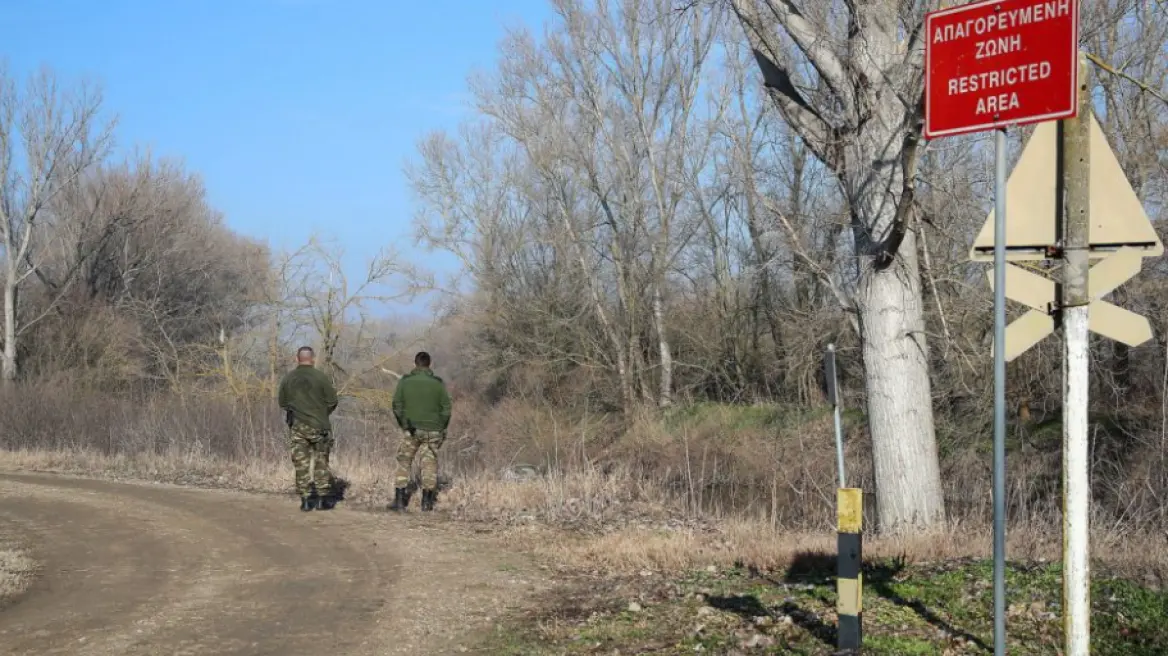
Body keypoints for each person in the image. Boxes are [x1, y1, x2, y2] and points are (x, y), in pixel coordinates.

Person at [388, 351, 452, 512]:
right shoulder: (438, 383)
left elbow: (397, 405)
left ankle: (400, 500)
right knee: (429, 463)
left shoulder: (405, 382)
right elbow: (446, 408)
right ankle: (426, 502)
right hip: (433, 430)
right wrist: (441, 426)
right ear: (429, 364)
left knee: (404, 460)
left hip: (411, 428)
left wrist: (403, 424)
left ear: (415, 363)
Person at [277, 346, 339, 511]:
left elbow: (282, 403)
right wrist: (322, 413)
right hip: (320, 426)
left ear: (297, 359)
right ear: (312, 359)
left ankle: (305, 500)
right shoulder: (321, 377)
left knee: (301, 463)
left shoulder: (289, 378)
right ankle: (321, 499)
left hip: (297, 426)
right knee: (321, 461)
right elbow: (333, 401)